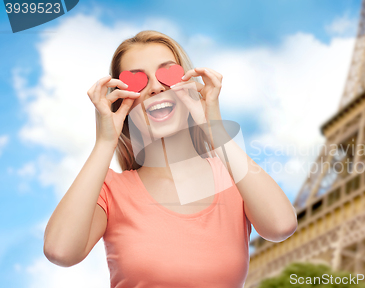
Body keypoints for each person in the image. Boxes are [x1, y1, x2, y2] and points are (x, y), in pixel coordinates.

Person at [43, 30, 298, 287]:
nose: (156, 87)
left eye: (168, 73)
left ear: (188, 84)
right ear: (123, 100)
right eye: (137, 81)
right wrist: (105, 141)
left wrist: (215, 130)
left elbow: (281, 226)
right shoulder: (110, 190)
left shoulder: (234, 176)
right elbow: (60, 252)